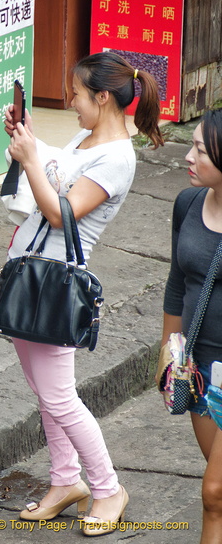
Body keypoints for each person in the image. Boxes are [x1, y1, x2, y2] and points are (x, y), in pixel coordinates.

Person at [4, 52, 163, 536]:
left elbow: (61, 213)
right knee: (46, 394)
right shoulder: (87, 137)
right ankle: (65, 481)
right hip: (28, 274)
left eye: (75, 93)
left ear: (102, 97)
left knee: (61, 397)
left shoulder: (117, 158)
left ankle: (107, 487)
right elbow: (57, 167)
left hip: (54, 285)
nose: (69, 100)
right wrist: (29, 139)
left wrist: (31, 158)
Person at [162, 109, 222, 543]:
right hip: (200, 370)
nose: (188, 155)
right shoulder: (187, 203)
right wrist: (170, 352)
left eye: (199, 149)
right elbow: (175, 284)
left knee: (214, 493)